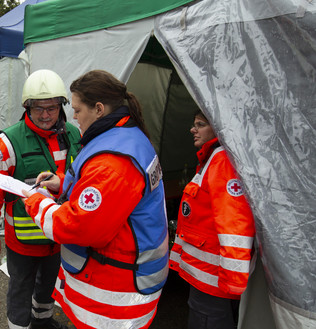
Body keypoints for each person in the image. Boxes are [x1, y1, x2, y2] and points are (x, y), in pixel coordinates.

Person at [21, 70, 169, 329]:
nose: (74, 117)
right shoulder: (124, 137)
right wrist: (61, 184)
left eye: (77, 110)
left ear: (99, 109)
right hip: (117, 284)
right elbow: (96, 186)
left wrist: (35, 199)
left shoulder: (114, 161)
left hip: (114, 298)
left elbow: (78, 226)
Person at [0, 69, 81, 329]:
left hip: (59, 236)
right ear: (27, 107)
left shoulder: (73, 135)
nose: (46, 115)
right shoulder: (8, 142)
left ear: (61, 107)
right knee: (20, 288)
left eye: (52, 108)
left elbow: (78, 175)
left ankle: (43, 320)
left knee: (49, 283)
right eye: (39, 109)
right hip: (23, 241)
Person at [169, 110, 256, 329]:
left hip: (213, 282)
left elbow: (233, 222)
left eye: (200, 124)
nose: (192, 129)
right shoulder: (211, 159)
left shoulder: (223, 161)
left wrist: (233, 283)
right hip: (206, 277)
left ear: (218, 128)